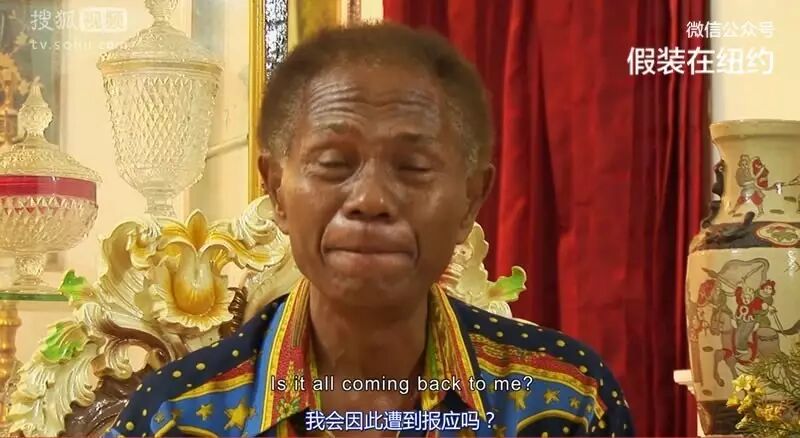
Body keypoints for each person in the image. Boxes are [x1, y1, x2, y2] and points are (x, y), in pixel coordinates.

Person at [106, 23, 634, 437]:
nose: (371, 200)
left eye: (414, 168)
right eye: (334, 164)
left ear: (471, 200)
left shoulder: (567, 401)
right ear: (277, 191)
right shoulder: (176, 416)